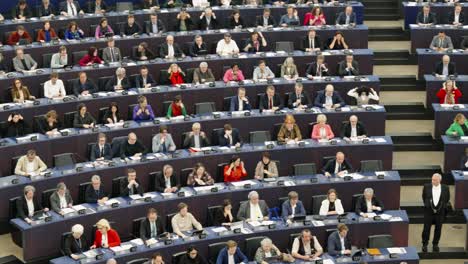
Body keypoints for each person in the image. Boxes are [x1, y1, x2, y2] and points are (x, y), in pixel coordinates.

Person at [422, 173, 451, 252]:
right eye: (432, 179)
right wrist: (429, 205)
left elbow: (447, 199)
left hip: (440, 212)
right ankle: (424, 244)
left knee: (438, 229)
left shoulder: (445, 188)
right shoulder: (426, 187)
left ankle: (435, 244)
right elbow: (424, 197)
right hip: (429, 212)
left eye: (435, 180)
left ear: (439, 180)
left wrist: (440, 207)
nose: (433, 181)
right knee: (426, 229)